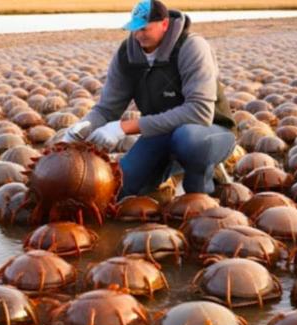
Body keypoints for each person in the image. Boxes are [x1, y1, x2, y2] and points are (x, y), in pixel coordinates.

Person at [63, 0, 236, 197]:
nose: (138, 35)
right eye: (134, 29)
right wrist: (82, 127)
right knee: (121, 189)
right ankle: (169, 169)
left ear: (164, 24)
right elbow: (106, 109)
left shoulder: (192, 47)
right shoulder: (127, 54)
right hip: (159, 133)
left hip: (208, 132)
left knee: (188, 140)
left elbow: (199, 112)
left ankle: (203, 187)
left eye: (144, 29)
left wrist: (122, 128)